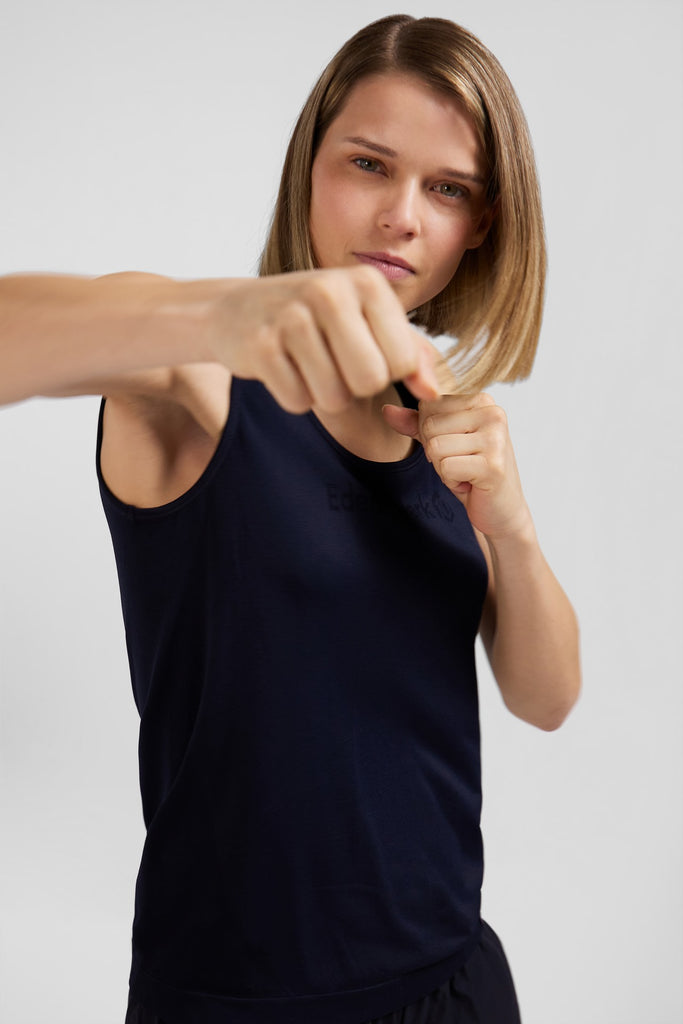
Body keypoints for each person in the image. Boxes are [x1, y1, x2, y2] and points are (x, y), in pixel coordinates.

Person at [0, 14, 581, 1024]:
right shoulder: (202, 381)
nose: (401, 216)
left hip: (453, 981)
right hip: (241, 999)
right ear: (309, 163)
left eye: (447, 189)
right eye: (368, 164)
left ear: (481, 223)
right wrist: (218, 314)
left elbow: (546, 698)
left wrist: (514, 530)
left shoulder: (438, 417)